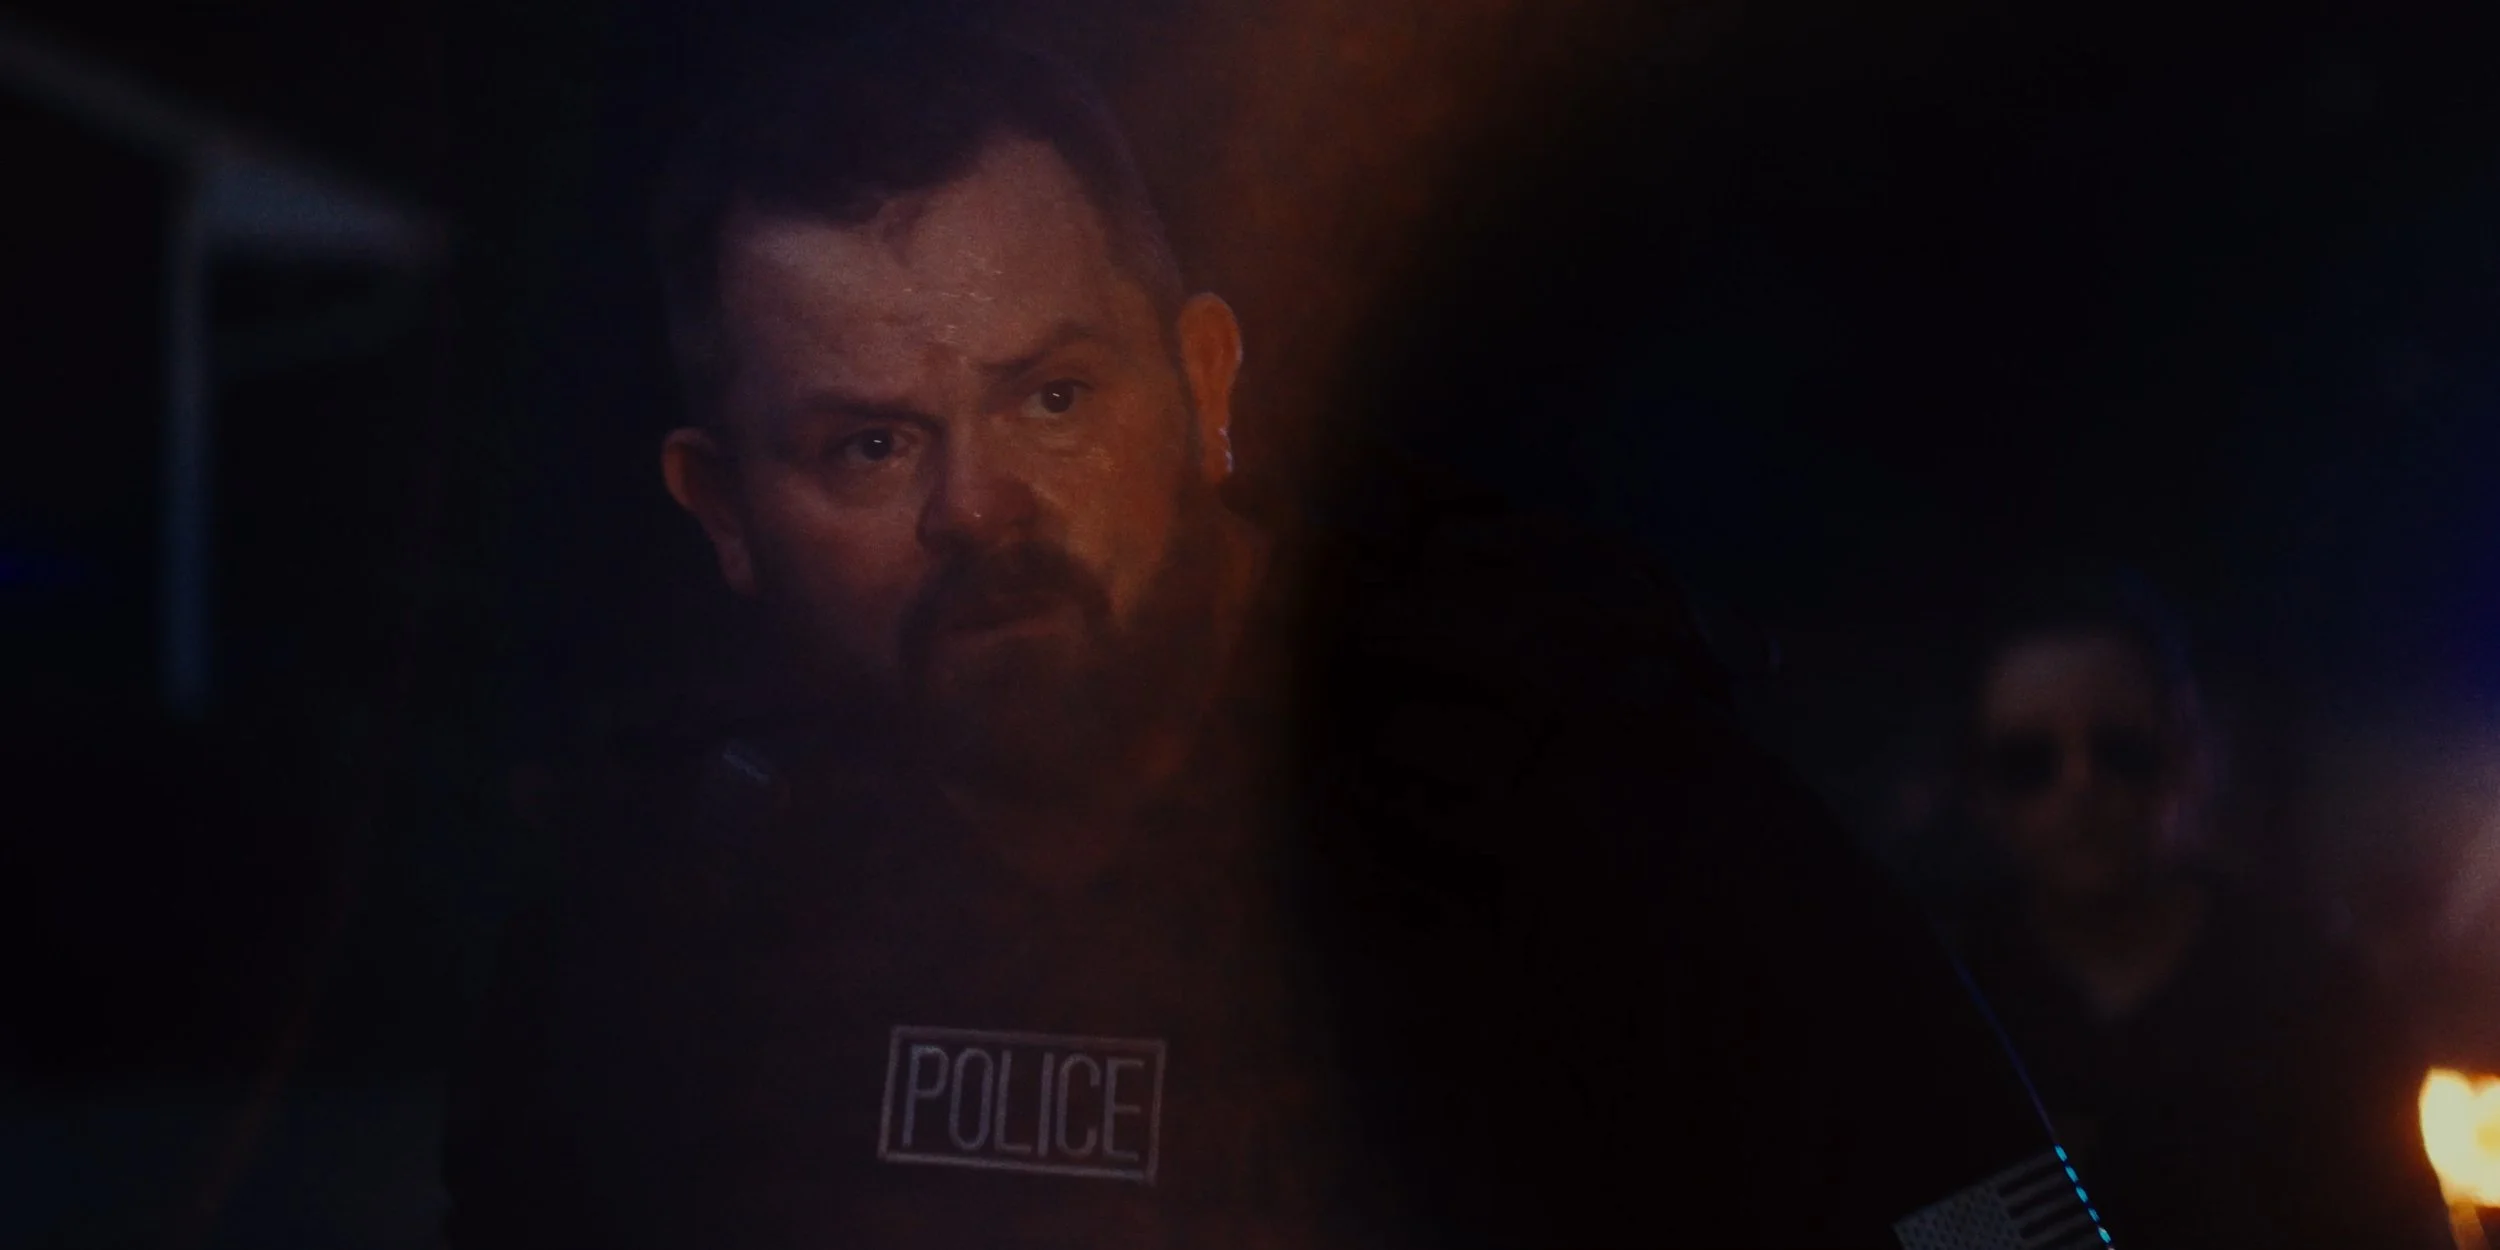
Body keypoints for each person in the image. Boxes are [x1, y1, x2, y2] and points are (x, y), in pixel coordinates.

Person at [444, 21, 2089, 1248]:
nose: (981, 506)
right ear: (720, 507)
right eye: (868, 446)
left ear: (1207, 389)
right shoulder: (675, 918)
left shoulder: (1589, 819)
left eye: (1056, 395)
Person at [1942, 573, 2450, 1250]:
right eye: (2029, 761)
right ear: (1981, 790)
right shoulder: (1941, 999)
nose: (2080, 787)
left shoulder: (2312, 992)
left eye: (2119, 749)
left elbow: (2401, 1229)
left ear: (2184, 753)